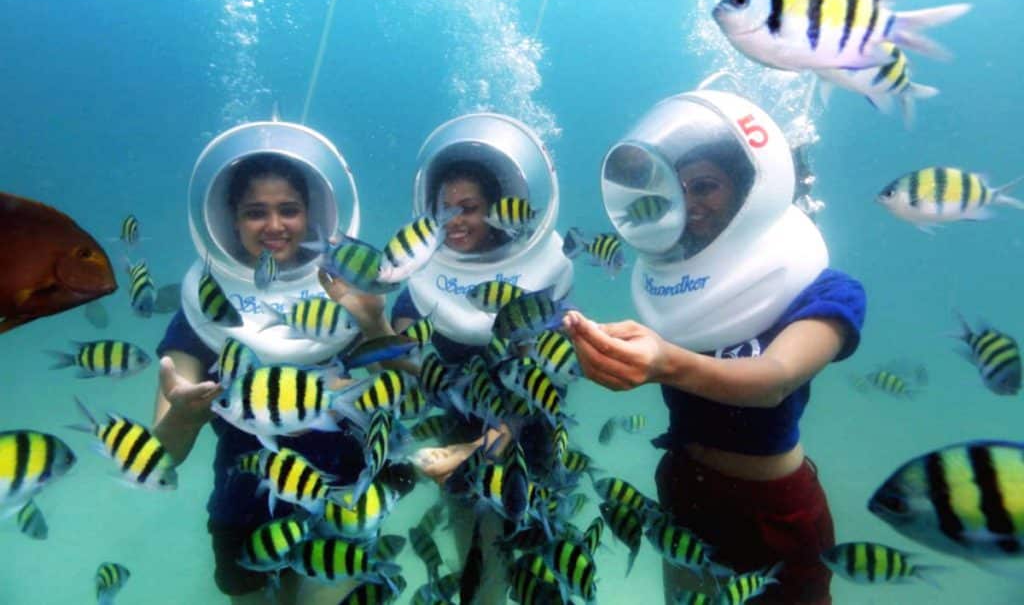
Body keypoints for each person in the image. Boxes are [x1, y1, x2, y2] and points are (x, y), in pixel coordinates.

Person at [564, 90, 866, 605]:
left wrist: (664, 363)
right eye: (677, 190)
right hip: (683, 486)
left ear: (751, 191)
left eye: (705, 186)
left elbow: (774, 380)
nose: (690, 203)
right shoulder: (673, 285)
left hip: (774, 507)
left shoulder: (829, 291)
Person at [152, 123, 388, 605]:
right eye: (255, 213)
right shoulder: (205, 306)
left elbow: (397, 398)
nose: (274, 226)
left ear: (312, 214)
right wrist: (184, 412)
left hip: (340, 495)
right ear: (231, 220)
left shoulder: (343, 295)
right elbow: (163, 456)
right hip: (243, 505)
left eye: (289, 210)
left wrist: (375, 325)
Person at [387, 113, 574, 603]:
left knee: (536, 566)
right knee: (479, 565)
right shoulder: (423, 275)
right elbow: (403, 359)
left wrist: (490, 443)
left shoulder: (538, 274)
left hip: (531, 442)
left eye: (468, 208)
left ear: (497, 211)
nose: (455, 221)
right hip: (457, 444)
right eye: (444, 209)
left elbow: (541, 379)